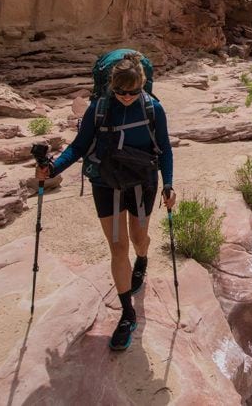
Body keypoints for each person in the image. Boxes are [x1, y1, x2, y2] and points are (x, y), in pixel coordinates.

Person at [36, 52, 175, 351]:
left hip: (142, 182)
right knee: (117, 246)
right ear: (111, 86)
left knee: (139, 239)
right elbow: (79, 146)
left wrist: (170, 184)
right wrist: (53, 168)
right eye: (121, 92)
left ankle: (144, 259)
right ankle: (127, 313)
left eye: (133, 92)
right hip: (106, 182)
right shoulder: (99, 109)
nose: (126, 98)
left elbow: (164, 148)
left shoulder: (153, 109)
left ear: (143, 86)